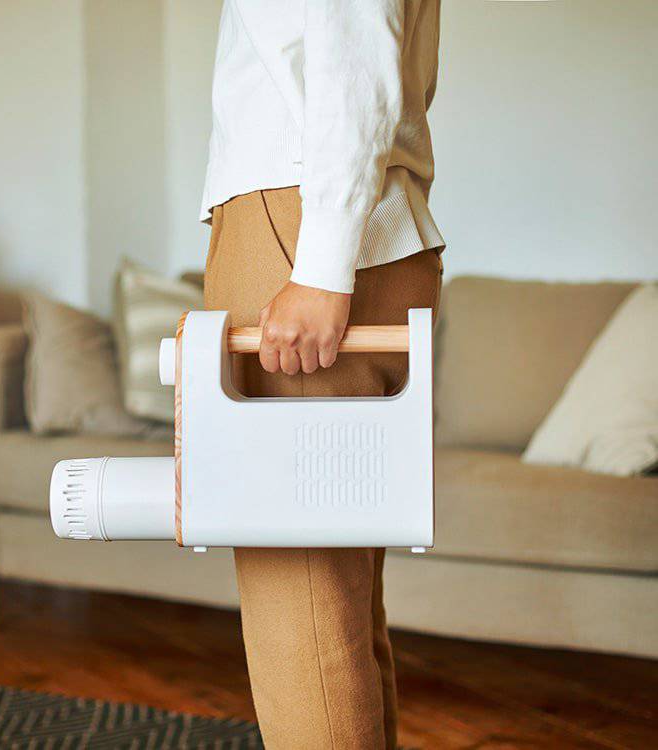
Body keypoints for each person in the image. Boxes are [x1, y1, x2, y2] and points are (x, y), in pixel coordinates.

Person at [201, 2, 444, 747]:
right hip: (346, 221)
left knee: (302, 615)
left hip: (304, 225)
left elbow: (354, 40)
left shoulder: (318, 245)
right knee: (340, 611)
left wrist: (322, 266)